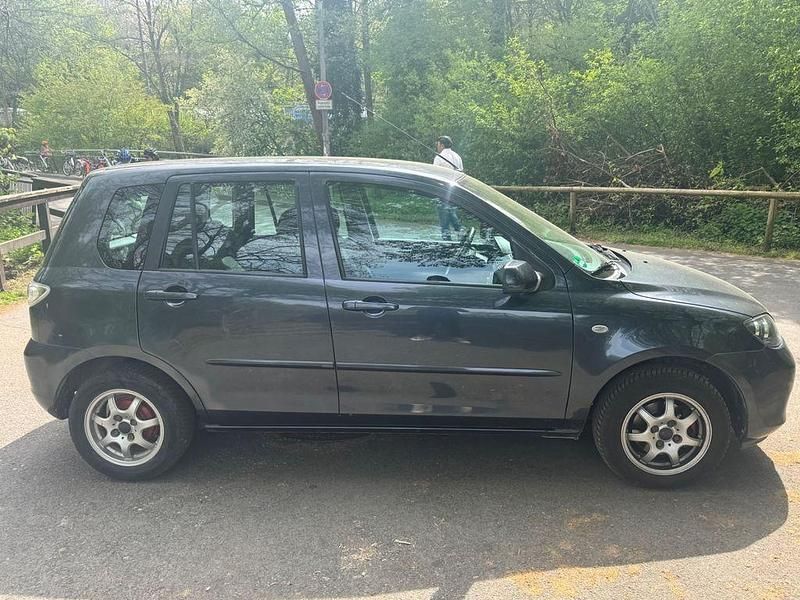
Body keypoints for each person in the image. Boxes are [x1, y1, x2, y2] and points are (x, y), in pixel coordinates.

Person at [432, 136, 463, 238]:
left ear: (442, 145)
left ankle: (447, 241)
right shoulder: (458, 157)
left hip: (442, 192)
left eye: (437, 145)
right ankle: (461, 235)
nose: (437, 147)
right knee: (452, 213)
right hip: (455, 191)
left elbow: (434, 176)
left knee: (444, 221)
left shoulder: (439, 158)